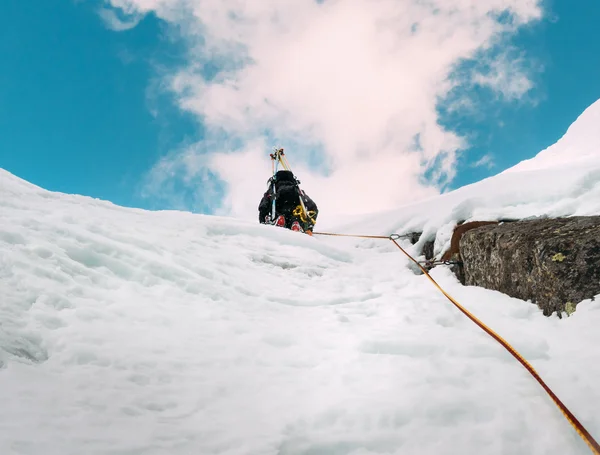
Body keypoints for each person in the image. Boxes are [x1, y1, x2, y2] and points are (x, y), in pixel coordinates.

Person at [258, 170, 318, 234]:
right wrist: (309, 227)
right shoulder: (298, 191)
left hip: (278, 211)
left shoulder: (273, 190)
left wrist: (262, 221)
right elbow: (312, 207)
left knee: (275, 214)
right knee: (296, 217)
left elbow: (263, 206)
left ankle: (278, 219)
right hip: (293, 213)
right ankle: (296, 224)